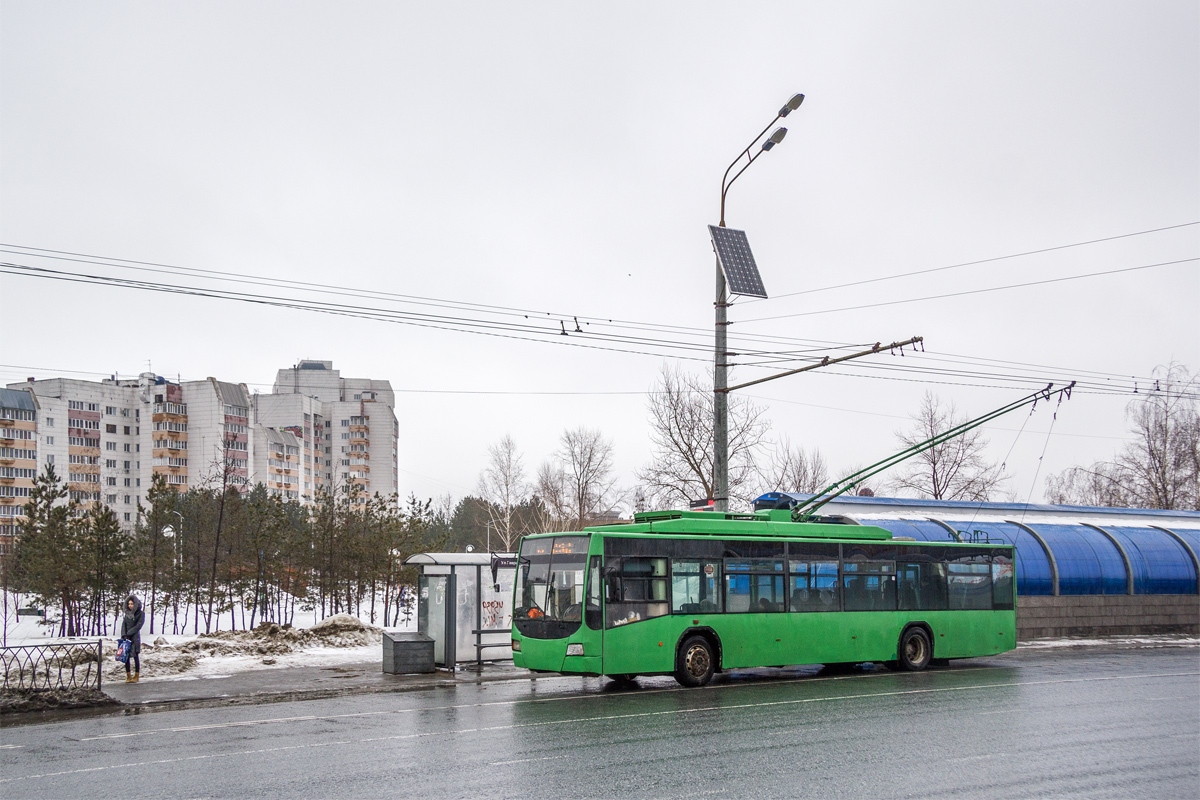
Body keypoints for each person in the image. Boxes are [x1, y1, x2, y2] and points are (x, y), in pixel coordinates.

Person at [121, 595, 144, 683]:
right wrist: (123, 635)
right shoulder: (127, 614)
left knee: (135, 656)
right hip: (126, 638)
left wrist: (129, 633)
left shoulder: (140, 614)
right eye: (129, 604)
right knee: (126, 657)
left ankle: (136, 675)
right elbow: (123, 625)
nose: (130, 605)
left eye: (132, 604)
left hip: (134, 638)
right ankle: (128, 675)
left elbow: (138, 626)